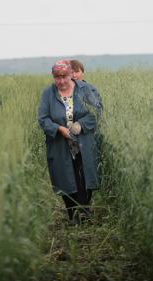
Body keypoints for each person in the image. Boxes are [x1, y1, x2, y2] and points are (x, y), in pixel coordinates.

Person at [38, 60, 100, 225]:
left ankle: (85, 215)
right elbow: (43, 119)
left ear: (71, 75)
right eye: (57, 77)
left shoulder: (84, 90)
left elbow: (96, 111)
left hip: (84, 144)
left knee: (84, 179)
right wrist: (59, 129)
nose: (61, 81)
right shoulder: (48, 94)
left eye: (64, 76)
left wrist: (81, 125)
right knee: (66, 180)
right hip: (60, 146)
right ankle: (73, 216)